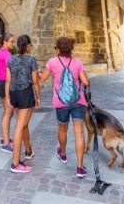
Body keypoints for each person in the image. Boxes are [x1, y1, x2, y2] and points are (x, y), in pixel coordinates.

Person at [39, 35, 90, 178]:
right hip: (78, 102)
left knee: (62, 129)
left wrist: (36, 72)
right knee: (79, 133)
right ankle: (80, 167)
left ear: (58, 49)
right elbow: (85, 82)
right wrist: (82, 75)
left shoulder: (52, 62)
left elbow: (42, 78)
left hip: (61, 103)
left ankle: (62, 154)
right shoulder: (77, 62)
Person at [5, 34, 40, 173]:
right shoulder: (31, 60)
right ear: (27, 45)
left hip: (14, 93)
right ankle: (15, 163)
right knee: (20, 126)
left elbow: (8, 80)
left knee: (23, 123)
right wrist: (38, 97)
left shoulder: (11, 59)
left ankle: (28, 151)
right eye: (30, 44)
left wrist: (8, 96)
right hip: (25, 93)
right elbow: (35, 81)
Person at [0, 33, 15, 152]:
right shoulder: (6, 54)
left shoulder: (0, 53)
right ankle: (6, 143)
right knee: (8, 112)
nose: (13, 43)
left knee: (8, 111)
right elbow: (12, 70)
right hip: (5, 83)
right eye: (11, 41)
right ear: (5, 42)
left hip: (1, 82)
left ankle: (5, 138)